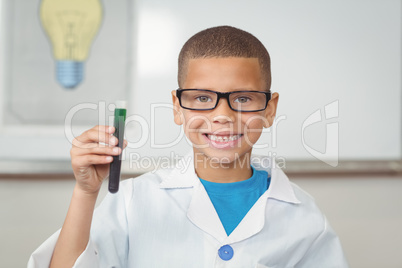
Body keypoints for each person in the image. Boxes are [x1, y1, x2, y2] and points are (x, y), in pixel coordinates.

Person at [28, 26, 348, 268]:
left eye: (243, 99)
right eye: (203, 98)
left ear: (270, 109)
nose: (222, 116)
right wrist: (85, 193)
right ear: (178, 107)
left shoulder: (305, 218)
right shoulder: (132, 201)